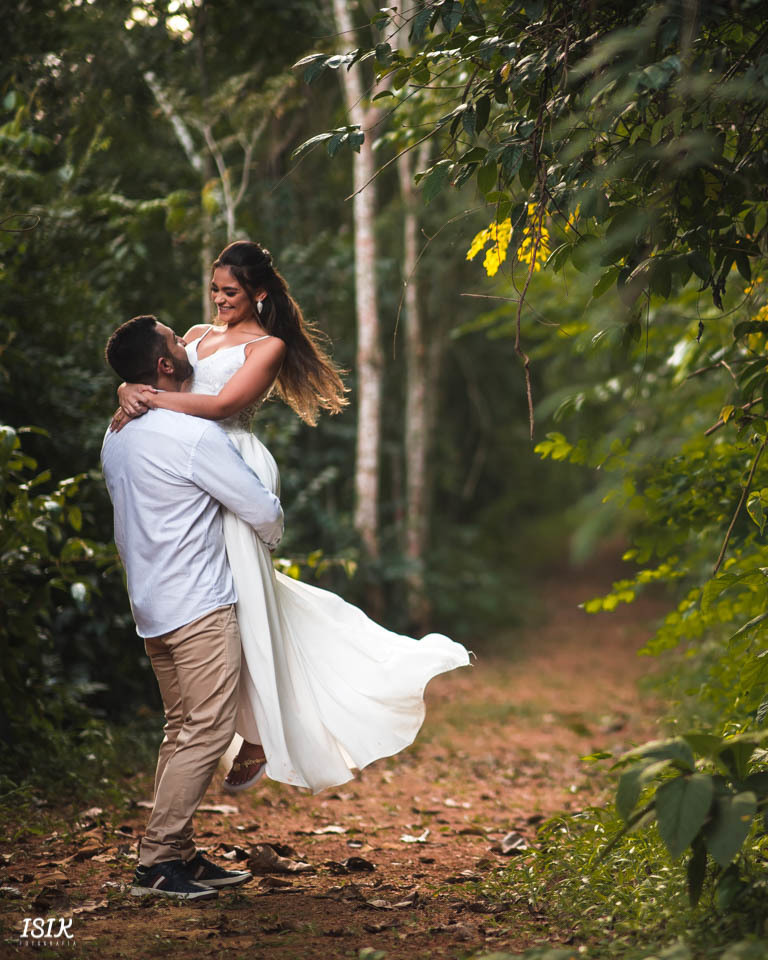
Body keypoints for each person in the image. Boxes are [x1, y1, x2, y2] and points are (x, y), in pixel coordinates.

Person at [113, 241, 471, 795]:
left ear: (258, 293)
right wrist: (126, 387)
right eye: (215, 290)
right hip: (193, 461)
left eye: (230, 292)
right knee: (225, 596)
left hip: (233, 458)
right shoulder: (195, 336)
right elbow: (158, 370)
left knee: (244, 593)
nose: (219, 300)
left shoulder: (268, 346)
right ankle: (250, 724)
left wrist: (148, 401)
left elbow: (222, 406)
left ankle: (257, 733)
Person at [101, 314, 284, 899]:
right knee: (207, 730)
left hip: (151, 606)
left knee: (182, 727)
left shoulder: (117, 433)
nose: (187, 343)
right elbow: (262, 512)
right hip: (199, 603)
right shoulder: (192, 436)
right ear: (164, 365)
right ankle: (158, 863)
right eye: (177, 341)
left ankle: (177, 852)